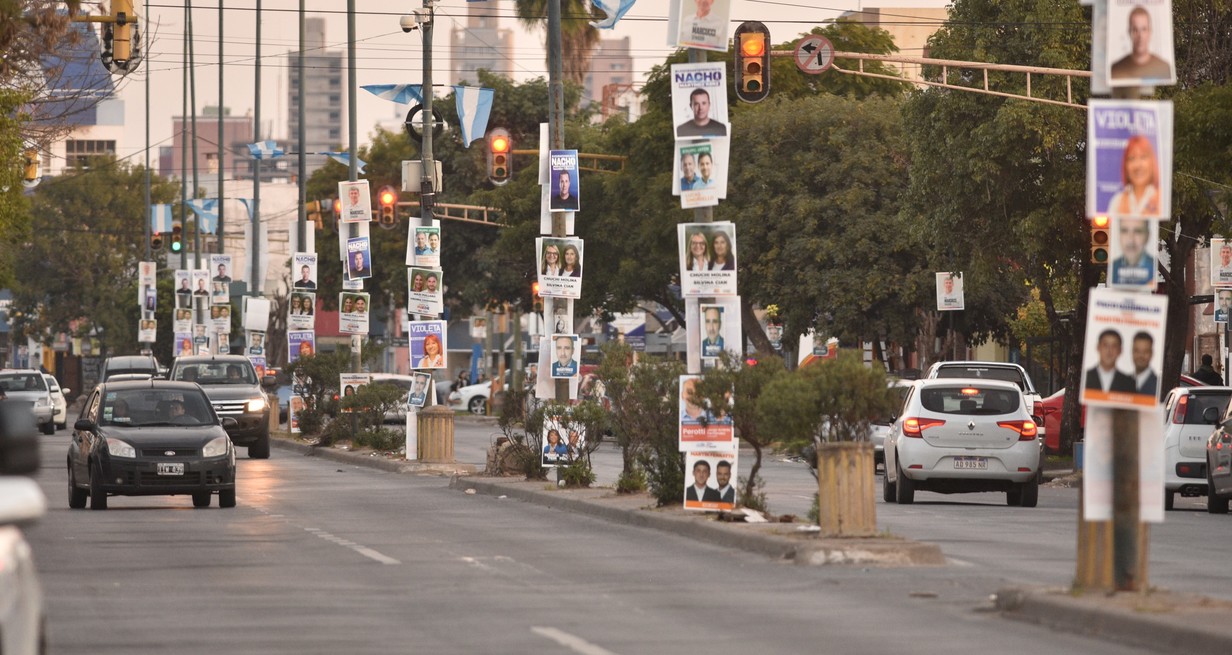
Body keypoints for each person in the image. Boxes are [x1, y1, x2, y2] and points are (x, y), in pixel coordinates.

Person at [1109, 5, 1173, 81]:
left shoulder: (1164, 68)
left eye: (1144, 29)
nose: (1140, 36)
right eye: (1135, 30)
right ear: (1129, 32)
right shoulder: (1115, 70)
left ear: (1150, 32)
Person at [1106, 135, 1161, 218]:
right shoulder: (1117, 201)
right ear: (1126, 165)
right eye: (1132, 158)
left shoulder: (1161, 201)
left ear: (1152, 162)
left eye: (1143, 157)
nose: (1137, 165)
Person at [1085, 329, 1136, 393]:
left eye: (1114, 346)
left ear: (1120, 350)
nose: (1109, 351)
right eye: (1105, 345)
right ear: (1098, 347)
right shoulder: (1085, 377)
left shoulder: (1129, 383)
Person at [1110, 217, 1155, 285]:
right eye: (1124, 231)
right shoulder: (1114, 267)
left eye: (1137, 231)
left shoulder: (1153, 268)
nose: (1130, 240)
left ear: (1147, 236)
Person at [1130, 331, 1157, 397]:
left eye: (1145, 351)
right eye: (1137, 351)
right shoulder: (1123, 382)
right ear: (1132, 352)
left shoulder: (1158, 385)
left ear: (1151, 353)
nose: (1141, 356)